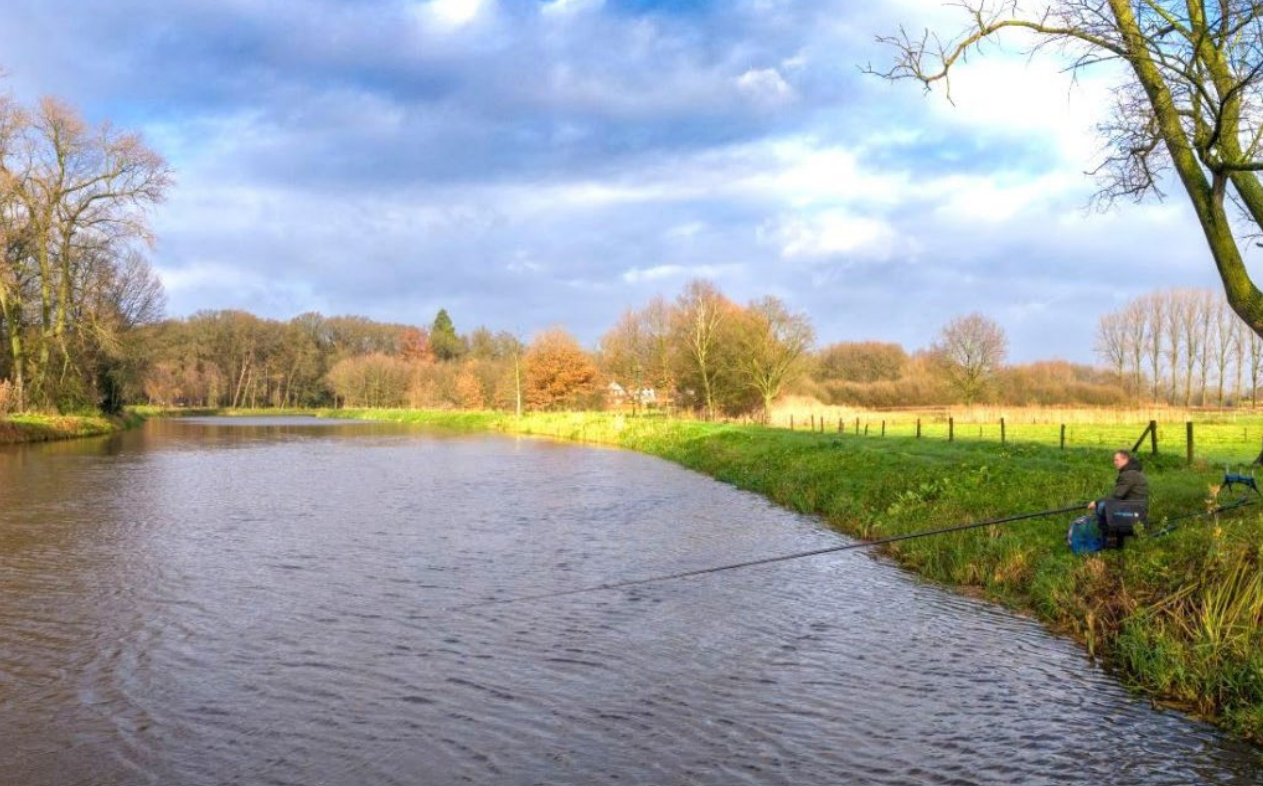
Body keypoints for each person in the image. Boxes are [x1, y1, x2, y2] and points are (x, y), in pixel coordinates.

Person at [1087, 449, 1149, 548]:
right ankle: (1111, 539)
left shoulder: (1128, 474)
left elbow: (1117, 495)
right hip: (1137, 508)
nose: (1115, 463)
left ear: (1125, 459)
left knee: (1102, 506)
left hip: (1133, 510)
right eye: (1114, 460)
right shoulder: (1134, 471)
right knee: (1106, 505)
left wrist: (1096, 502)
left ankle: (1108, 539)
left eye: (1117, 460)